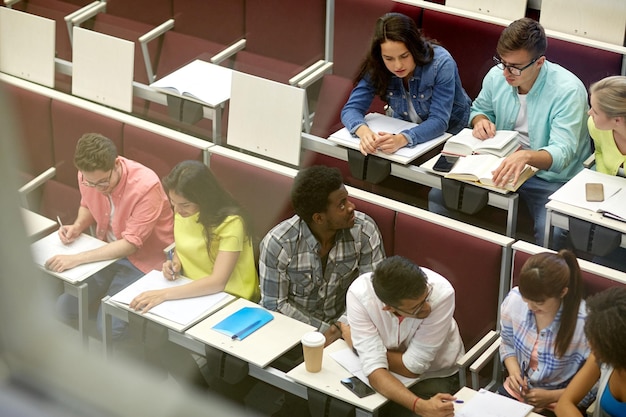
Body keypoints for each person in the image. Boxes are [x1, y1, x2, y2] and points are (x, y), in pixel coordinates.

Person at [428, 18, 590, 247]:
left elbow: (563, 153)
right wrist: (480, 121)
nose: (505, 73)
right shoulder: (497, 75)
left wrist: (525, 156)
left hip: (550, 179)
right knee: (439, 195)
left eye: (514, 67)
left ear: (539, 62)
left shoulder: (568, 91)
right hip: (497, 164)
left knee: (551, 233)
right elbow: (480, 109)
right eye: (502, 62)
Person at [47, 133, 173, 340]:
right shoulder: (87, 176)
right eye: (91, 183)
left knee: (107, 328)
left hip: (144, 261)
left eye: (103, 182)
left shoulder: (146, 186)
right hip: (107, 250)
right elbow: (87, 203)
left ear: (116, 164)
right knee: (64, 308)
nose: (98, 188)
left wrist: (75, 259)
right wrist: (78, 226)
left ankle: (139, 353)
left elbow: (131, 245)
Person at [259, 165, 385, 346]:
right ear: (318, 218)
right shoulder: (278, 243)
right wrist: (322, 333)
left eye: (347, 199)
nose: (351, 207)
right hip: (293, 331)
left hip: (348, 330)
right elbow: (275, 305)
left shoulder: (364, 230)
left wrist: (340, 328)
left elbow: (373, 292)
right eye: (341, 205)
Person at [129, 160, 259, 312]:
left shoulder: (232, 223)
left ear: (204, 199)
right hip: (190, 288)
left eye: (185, 205)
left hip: (229, 296)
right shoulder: (182, 213)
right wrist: (175, 262)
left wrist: (163, 294)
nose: (177, 210)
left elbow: (218, 282)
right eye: (173, 202)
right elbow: (182, 246)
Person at [343, 256, 464, 417]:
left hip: (435, 374)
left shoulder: (442, 294)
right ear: (389, 308)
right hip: (389, 375)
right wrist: (419, 406)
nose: (427, 308)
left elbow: (413, 368)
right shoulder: (359, 295)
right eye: (416, 308)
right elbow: (374, 370)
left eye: (426, 298)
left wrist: (361, 349)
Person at [340, 12, 471, 156]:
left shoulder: (441, 63)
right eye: (389, 58)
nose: (398, 65)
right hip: (403, 128)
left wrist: (402, 139)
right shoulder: (377, 63)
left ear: (415, 48)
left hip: (451, 132)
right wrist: (364, 133)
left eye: (404, 56)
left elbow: (439, 121)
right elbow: (351, 109)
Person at [498, 250, 592, 416]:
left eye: (539, 303)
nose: (530, 307)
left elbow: (596, 382)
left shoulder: (586, 323)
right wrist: (514, 373)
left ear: (563, 292)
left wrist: (551, 396)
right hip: (517, 392)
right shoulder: (514, 299)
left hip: (562, 401)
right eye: (526, 299)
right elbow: (507, 343)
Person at [555, 286, 626, 417]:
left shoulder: (604, 355)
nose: (590, 347)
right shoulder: (599, 357)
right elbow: (564, 404)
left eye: (597, 344)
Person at [585, 76, 626, 272]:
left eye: (595, 111)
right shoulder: (596, 126)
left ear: (617, 120)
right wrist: (606, 181)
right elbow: (599, 152)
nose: (589, 112)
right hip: (614, 208)